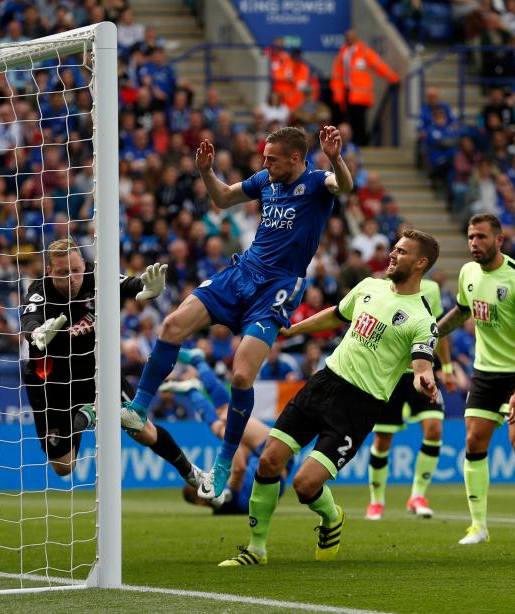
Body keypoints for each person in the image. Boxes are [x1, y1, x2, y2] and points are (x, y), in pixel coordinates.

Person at [121, 126, 353, 500]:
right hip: (242, 272)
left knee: (242, 376)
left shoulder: (315, 182)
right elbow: (224, 197)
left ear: (295, 158)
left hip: (276, 289)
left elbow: (344, 186)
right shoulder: (266, 180)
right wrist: (206, 172)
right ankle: (138, 407)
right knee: (173, 323)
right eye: (264, 157)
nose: (264, 163)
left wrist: (336, 157)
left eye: (272, 158)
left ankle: (224, 462)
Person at [218, 230, 440, 567]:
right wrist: (294, 329)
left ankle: (332, 517)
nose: (393, 255)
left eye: (402, 251)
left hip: (359, 405)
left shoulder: (423, 319)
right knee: (268, 461)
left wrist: (425, 378)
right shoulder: (370, 286)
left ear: (421, 263)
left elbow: (422, 363)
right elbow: (338, 314)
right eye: (393, 248)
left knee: (305, 485)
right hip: (323, 382)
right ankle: (256, 549)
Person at [21, 238, 201, 484]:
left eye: (75, 270)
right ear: (50, 271)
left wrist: (146, 287)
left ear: (83, 264)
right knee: (64, 467)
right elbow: (30, 319)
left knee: (141, 427)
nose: (71, 277)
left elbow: (128, 284)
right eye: (63, 273)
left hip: (96, 372)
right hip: (53, 382)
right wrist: (35, 333)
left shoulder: (97, 279)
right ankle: (93, 413)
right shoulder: (39, 292)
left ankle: (191, 473)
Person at [436, 213, 515, 545]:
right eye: (471, 237)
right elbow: (461, 312)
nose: (475, 243)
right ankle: (478, 526)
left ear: (499, 240)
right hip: (486, 370)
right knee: (473, 442)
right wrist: (431, 335)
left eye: (482, 237)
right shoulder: (468, 273)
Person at [365, 275, 446, 521]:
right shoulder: (383, 289)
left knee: (434, 429)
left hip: (423, 371)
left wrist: (448, 367)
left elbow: (440, 329)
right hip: (392, 375)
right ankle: (376, 501)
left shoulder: (432, 289)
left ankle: (417, 496)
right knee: (382, 440)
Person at [174, 350, 293, 515]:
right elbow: (239, 468)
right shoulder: (225, 497)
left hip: (271, 468)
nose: (206, 476)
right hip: (270, 455)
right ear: (199, 500)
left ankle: (193, 390)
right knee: (226, 418)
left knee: (220, 425)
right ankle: (198, 364)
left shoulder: (224, 508)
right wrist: (230, 440)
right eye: (203, 481)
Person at [330, 31, 400, 146]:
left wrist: (393, 77)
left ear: (356, 38)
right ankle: (350, 144)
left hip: (361, 95)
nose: (349, 39)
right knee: (348, 121)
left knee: (359, 121)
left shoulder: (364, 51)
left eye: (351, 37)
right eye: (347, 37)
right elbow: (337, 75)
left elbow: (379, 65)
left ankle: (361, 144)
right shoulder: (343, 53)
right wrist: (338, 95)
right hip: (347, 94)